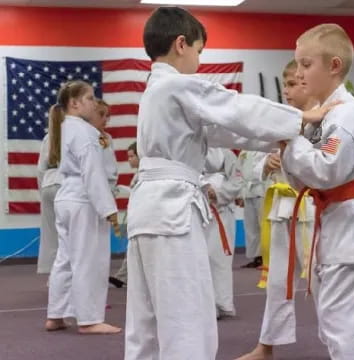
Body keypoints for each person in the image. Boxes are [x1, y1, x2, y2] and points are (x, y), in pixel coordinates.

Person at [124, 6, 333, 360]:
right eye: (199, 50)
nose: (199, 60)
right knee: (185, 313)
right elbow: (235, 108)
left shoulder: (157, 91)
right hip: (171, 208)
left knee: (146, 317)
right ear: (181, 44)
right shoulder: (175, 85)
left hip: (151, 209)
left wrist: (279, 138)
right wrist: (302, 117)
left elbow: (219, 130)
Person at [280, 24, 354, 359]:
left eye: (306, 64)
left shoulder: (347, 115)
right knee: (339, 321)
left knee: (345, 324)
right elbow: (304, 179)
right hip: (338, 218)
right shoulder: (322, 115)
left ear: (334, 66)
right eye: (297, 65)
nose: (299, 74)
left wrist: (290, 141)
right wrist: (294, 143)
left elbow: (325, 171)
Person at [236, 59, 318, 360]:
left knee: (320, 281)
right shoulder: (280, 122)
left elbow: (324, 167)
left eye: (293, 84)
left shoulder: (323, 123)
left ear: (309, 84)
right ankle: (266, 345)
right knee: (277, 282)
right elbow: (253, 163)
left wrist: (286, 160)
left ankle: (343, 345)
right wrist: (265, 165)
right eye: (285, 85)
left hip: (311, 211)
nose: (287, 90)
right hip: (282, 210)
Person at [45, 80, 121, 335]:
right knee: (90, 259)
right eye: (90, 97)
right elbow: (92, 174)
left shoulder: (65, 127)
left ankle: (55, 314)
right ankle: (89, 319)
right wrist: (108, 209)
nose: (94, 102)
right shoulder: (86, 132)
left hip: (67, 197)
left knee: (65, 258)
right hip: (83, 199)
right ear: (74, 103)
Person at [203, 148, 243, 318]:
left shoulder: (227, 153)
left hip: (222, 211)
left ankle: (223, 302)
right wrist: (204, 188)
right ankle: (206, 304)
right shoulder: (191, 148)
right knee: (202, 259)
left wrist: (219, 193)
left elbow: (237, 181)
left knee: (221, 259)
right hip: (200, 209)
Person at [109, 142, 139, 288]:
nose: (129, 160)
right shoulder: (137, 175)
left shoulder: (145, 175)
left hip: (143, 217)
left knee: (134, 247)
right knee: (132, 248)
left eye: (132, 156)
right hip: (136, 215)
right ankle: (123, 276)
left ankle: (124, 276)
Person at [36, 118, 63, 275]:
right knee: (68, 235)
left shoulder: (48, 137)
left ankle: (53, 274)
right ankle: (67, 275)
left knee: (50, 236)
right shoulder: (75, 134)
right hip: (66, 186)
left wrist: (43, 190)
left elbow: (40, 169)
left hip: (48, 184)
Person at [238, 150, 266, 269]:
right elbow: (239, 172)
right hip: (248, 192)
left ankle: (267, 257)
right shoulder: (244, 152)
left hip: (263, 190)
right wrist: (239, 194)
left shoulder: (267, 148)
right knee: (251, 228)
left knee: (264, 226)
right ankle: (257, 257)